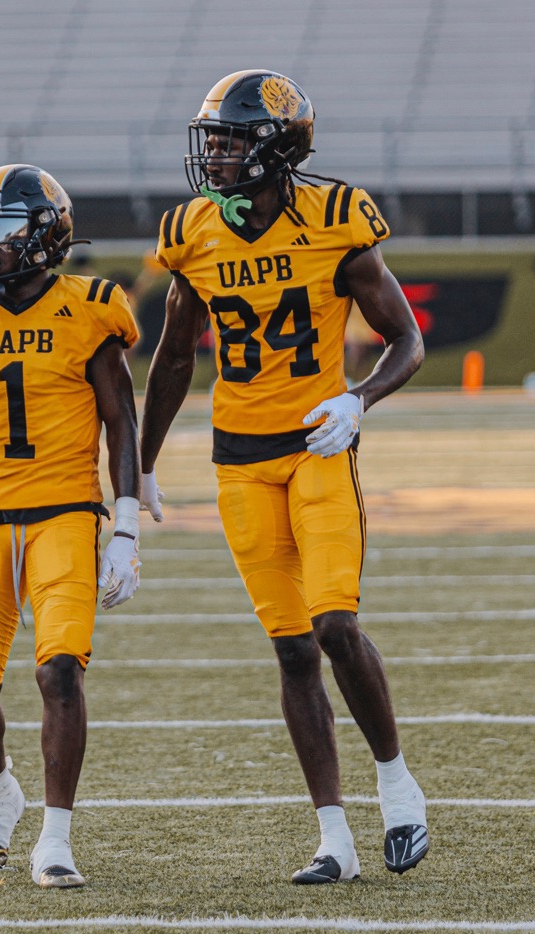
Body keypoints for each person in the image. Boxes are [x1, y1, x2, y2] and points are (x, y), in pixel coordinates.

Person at [140, 70, 430, 884]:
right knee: (293, 650)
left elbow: (407, 341)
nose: (218, 156)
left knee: (336, 625)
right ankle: (332, 836)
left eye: (232, 140)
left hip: (317, 448)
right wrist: (143, 462)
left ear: (276, 146)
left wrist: (359, 400)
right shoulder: (194, 231)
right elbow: (171, 355)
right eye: (215, 140)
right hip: (239, 464)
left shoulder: (337, 220)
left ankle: (397, 784)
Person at [0, 164, 143, 889]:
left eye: (3, 230)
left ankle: (56, 836)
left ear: (45, 236)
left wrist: (127, 522)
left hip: (65, 512)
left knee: (59, 668)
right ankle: (0, 789)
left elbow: (120, 420)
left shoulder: (92, 305)